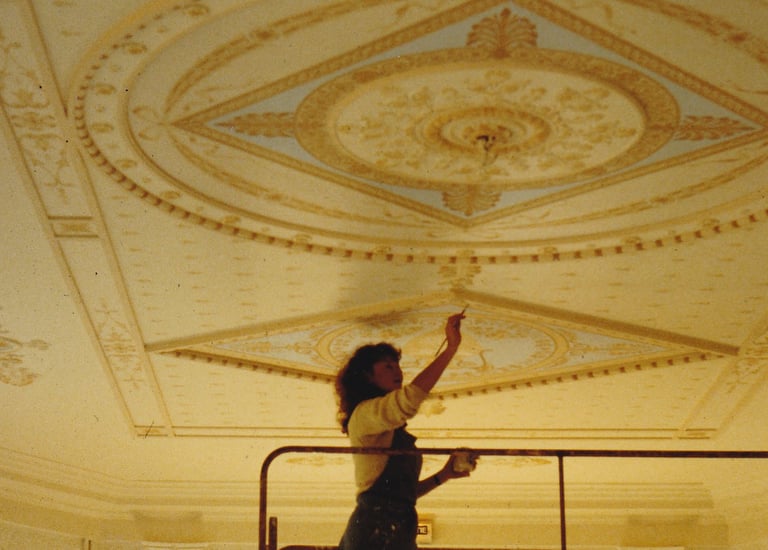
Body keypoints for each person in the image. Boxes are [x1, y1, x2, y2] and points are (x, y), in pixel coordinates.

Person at [335, 312, 474, 549]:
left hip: (392, 527)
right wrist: (450, 348)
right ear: (367, 375)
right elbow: (409, 399)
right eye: (388, 366)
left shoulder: (385, 425)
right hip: (376, 528)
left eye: (398, 365)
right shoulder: (365, 414)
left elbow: (402, 497)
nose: (397, 371)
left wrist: (443, 475)